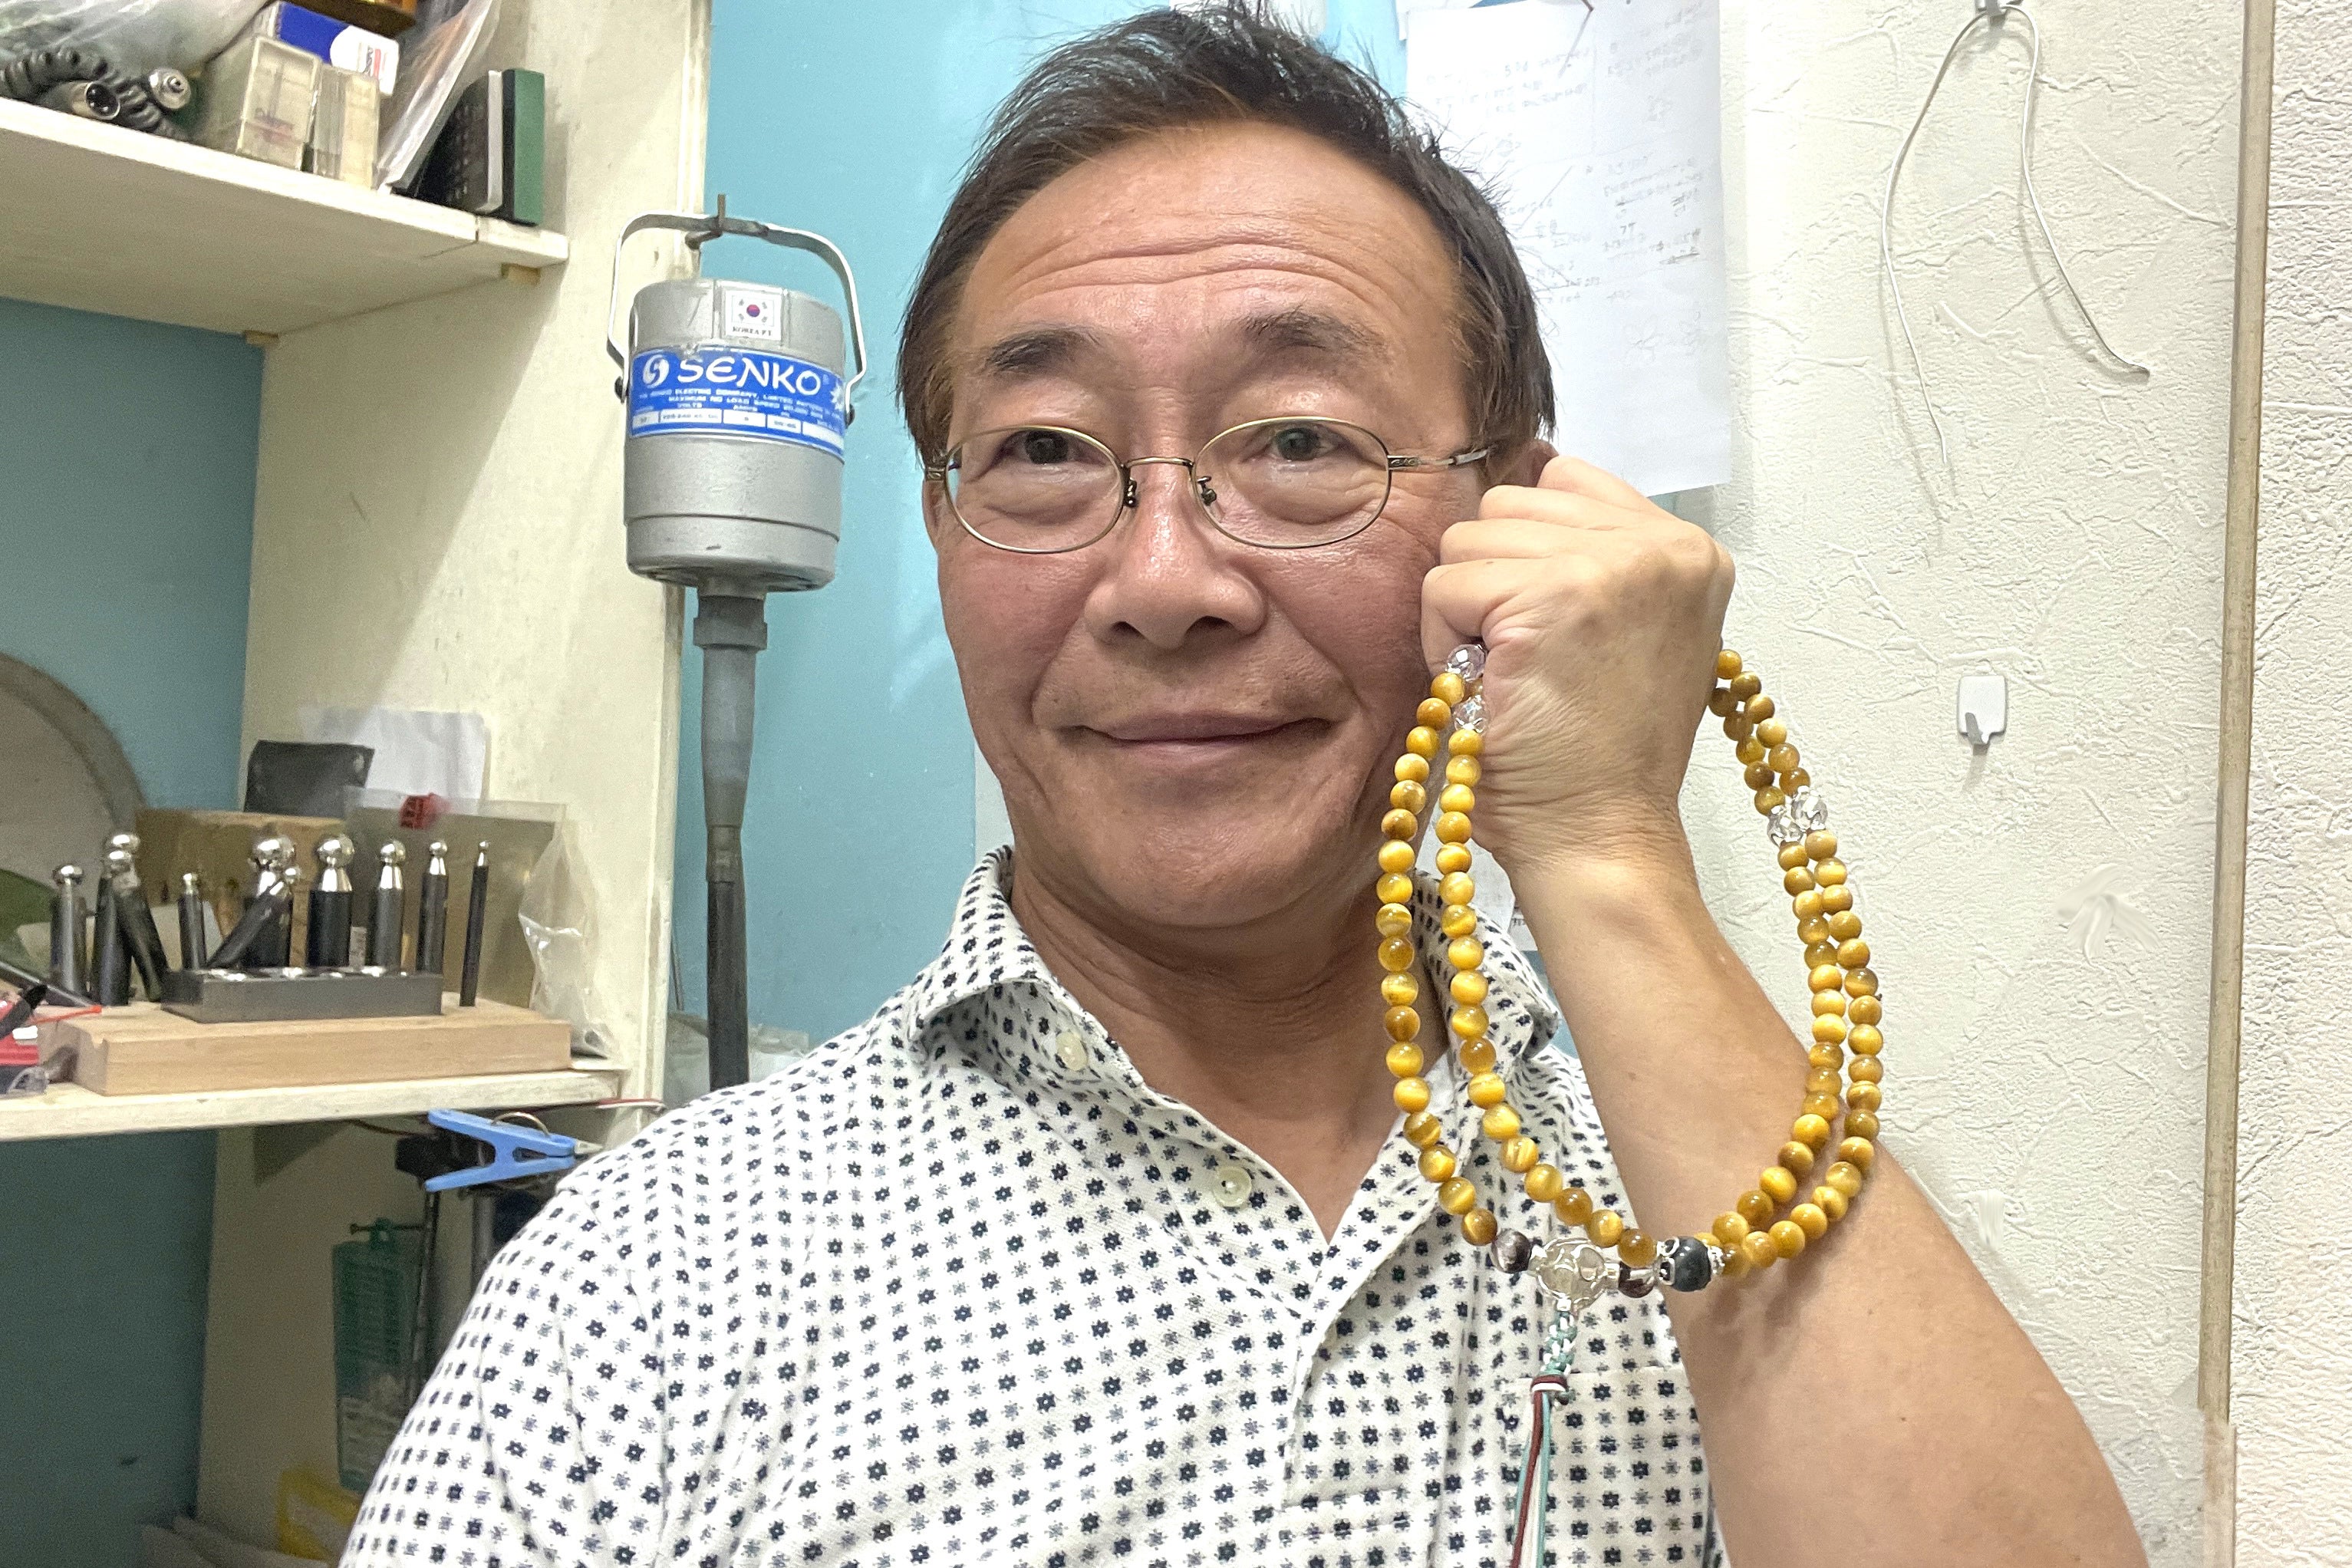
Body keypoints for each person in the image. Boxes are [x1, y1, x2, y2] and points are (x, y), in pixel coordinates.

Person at [344, 9, 2145, 1566]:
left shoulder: (1694, 1182)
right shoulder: (660, 1277)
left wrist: (1608, 849)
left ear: (1509, 521)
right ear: (945, 536)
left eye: (1297, 441)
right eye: (1043, 451)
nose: (1162, 578)